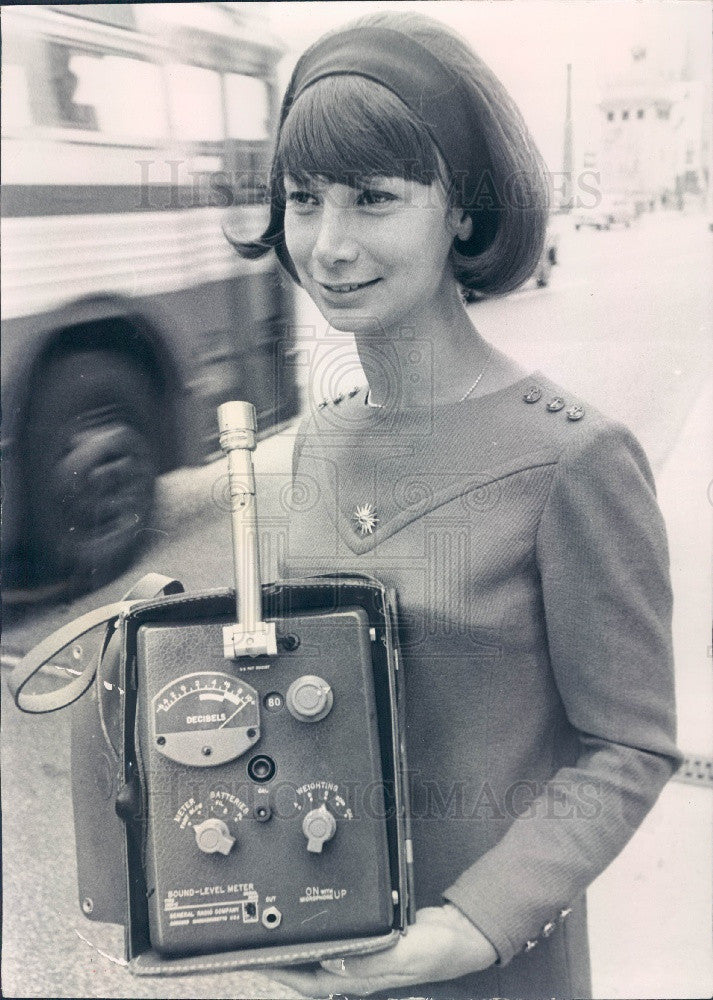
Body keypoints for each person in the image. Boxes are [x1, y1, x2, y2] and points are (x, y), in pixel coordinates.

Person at [227, 12, 681, 999]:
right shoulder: (306, 450)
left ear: (462, 212)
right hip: (332, 958)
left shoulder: (573, 455)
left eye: (373, 199)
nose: (328, 243)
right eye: (303, 200)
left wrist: (474, 924)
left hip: (495, 971)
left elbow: (629, 745)